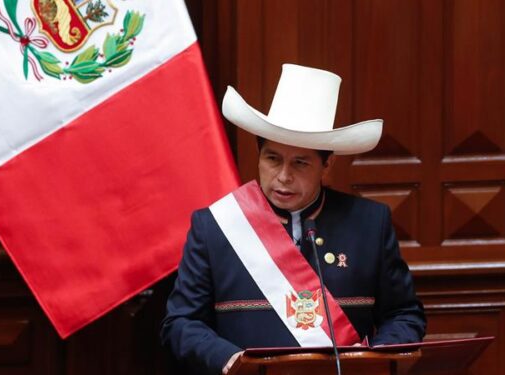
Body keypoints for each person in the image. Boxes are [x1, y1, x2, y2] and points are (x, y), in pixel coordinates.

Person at [160, 64, 426, 375]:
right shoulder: (215, 227)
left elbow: (404, 314)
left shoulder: (369, 223)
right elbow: (180, 323)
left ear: (327, 166)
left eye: (300, 163)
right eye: (272, 159)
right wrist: (232, 362)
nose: (283, 177)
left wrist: (372, 361)